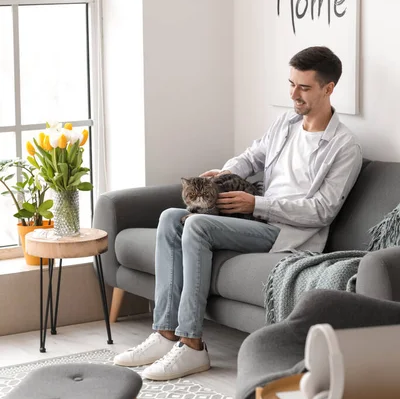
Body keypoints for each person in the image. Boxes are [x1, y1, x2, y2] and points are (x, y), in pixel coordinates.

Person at [114, 46, 362, 380]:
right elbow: (251, 157)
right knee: (171, 218)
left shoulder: (344, 147)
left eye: (303, 87)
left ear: (328, 89)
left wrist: (256, 204)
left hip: (287, 234)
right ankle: (164, 333)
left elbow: (321, 212)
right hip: (254, 219)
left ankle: (191, 345)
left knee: (197, 226)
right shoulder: (285, 124)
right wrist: (223, 175)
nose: (293, 94)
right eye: (291, 84)